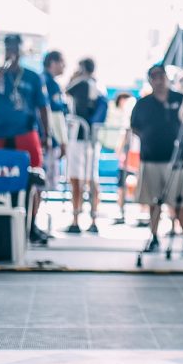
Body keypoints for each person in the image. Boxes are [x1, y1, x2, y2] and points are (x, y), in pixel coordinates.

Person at [0, 34, 50, 242]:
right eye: (9, 46)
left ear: (21, 50)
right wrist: (2, 68)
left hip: (24, 133)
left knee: (34, 177)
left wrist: (46, 134)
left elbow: (43, 107)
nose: (12, 50)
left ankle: (31, 223)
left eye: (16, 47)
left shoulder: (33, 77)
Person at [131, 65, 183, 253]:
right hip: (151, 158)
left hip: (176, 160)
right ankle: (154, 237)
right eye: (154, 77)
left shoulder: (179, 99)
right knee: (153, 201)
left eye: (161, 76)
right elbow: (135, 127)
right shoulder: (143, 104)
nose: (159, 80)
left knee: (180, 202)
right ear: (150, 80)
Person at [65, 58, 103, 234]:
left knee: (76, 179)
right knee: (92, 178)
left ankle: (75, 219)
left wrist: (75, 77)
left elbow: (68, 91)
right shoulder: (98, 86)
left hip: (79, 136)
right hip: (92, 139)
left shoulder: (81, 84)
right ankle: (93, 218)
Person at [38, 50, 68, 244]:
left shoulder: (40, 80)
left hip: (41, 138)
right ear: (53, 62)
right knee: (40, 183)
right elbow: (55, 115)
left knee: (38, 185)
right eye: (62, 62)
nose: (64, 66)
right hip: (48, 141)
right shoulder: (50, 83)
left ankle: (32, 223)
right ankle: (32, 224)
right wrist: (62, 141)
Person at [106, 92, 136, 225]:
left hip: (130, 154)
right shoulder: (131, 111)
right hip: (133, 153)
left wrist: (119, 149)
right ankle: (123, 211)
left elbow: (125, 132)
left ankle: (122, 211)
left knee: (123, 183)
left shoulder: (130, 109)